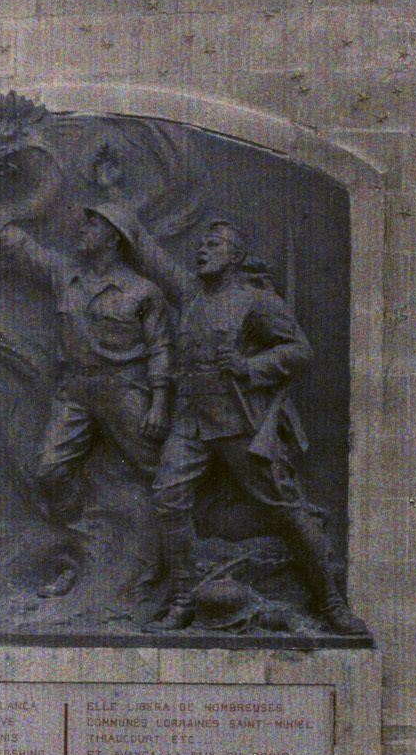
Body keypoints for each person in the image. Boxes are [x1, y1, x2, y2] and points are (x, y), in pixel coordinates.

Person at [134, 217, 361, 634]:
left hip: (238, 421)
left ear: (235, 257)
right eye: (201, 244)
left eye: (214, 245)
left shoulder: (254, 301)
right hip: (191, 421)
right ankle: (184, 599)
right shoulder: (190, 293)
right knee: (168, 497)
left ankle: (331, 602)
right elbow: (150, 252)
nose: (202, 250)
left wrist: (248, 366)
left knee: (284, 509)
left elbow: (299, 350)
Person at [0, 169, 173, 596]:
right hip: (75, 392)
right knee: (51, 471)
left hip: (124, 390)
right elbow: (19, 248)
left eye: (92, 224)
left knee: (162, 475)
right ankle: (83, 550)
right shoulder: (65, 273)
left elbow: (162, 348)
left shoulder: (142, 292)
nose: (82, 229)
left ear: (113, 237)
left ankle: (173, 567)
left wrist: (160, 403)